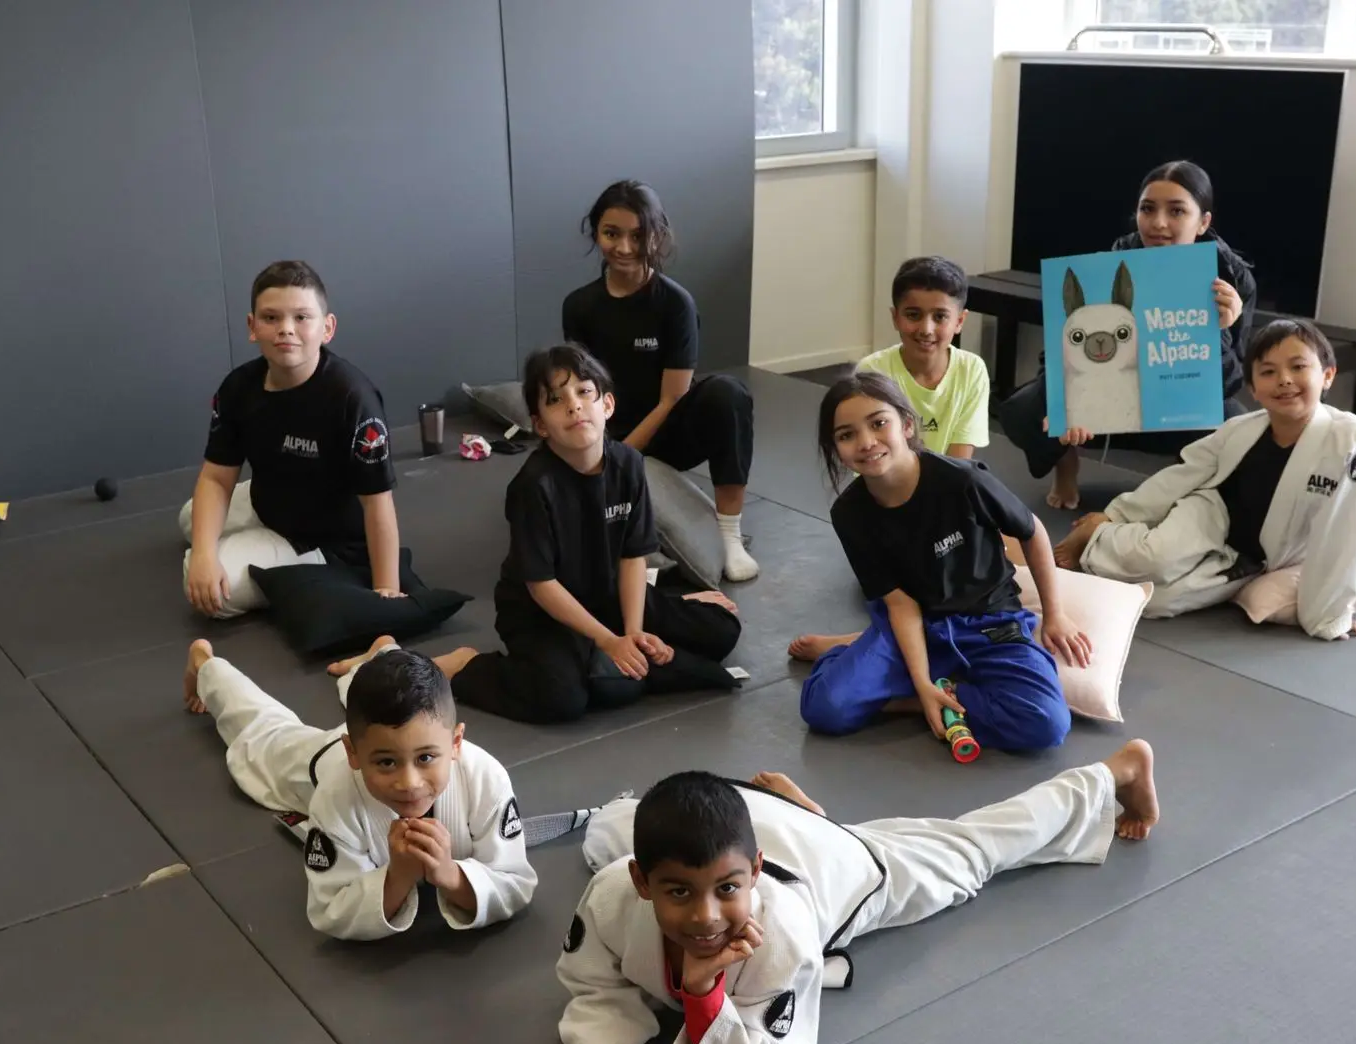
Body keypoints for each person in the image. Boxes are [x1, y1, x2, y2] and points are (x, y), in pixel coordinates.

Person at [544, 745, 1160, 1044]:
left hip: (841, 869)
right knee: (606, 830)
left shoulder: (781, 935)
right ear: (642, 882)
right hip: (767, 833)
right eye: (678, 892)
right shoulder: (612, 892)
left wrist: (703, 995)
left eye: (725, 891)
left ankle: (1112, 772)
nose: (706, 918)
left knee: (974, 854)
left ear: (752, 873)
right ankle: (797, 812)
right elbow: (596, 980)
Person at [434, 345, 743, 724]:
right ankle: (470, 664)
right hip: (542, 615)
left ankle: (626, 661)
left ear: (607, 405)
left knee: (722, 631)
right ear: (541, 424)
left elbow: (633, 556)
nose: (574, 405)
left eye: (584, 392)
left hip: (610, 598)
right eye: (556, 399)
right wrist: (607, 640)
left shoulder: (629, 464)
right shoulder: (533, 486)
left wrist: (633, 633)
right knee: (561, 698)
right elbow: (541, 585)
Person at [788, 372, 1088, 753]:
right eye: (847, 435)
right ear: (835, 447)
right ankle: (868, 661)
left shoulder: (963, 481)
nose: (866, 443)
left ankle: (921, 700)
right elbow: (899, 603)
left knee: (1046, 723)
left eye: (879, 424)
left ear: (907, 424)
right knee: (824, 708)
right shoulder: (849, 512)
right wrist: (923, 682)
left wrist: (1055, 613)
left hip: (991, 626)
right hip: (914, 630)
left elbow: (1032, 531)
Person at [180, 634, 536, 940]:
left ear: (456, 743)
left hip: (379, 736)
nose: (409, 783)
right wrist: (397, 879)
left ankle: (385, 651)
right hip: (321, 761)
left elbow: (516, 882)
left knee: (394, 693)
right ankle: (208, 666)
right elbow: (329, 908)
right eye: (387, 763)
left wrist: (451, 876)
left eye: (426, 758)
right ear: (354, 752)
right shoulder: (335, 796)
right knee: (264, 736)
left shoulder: (485, 777)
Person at [1053, 319, 1356, 641]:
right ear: (1252, 388)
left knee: (1158, 601)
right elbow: (1185, 472)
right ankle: (1096, 530)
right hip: (1211, 511)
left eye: (1298, 367)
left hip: (1254, 552)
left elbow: (1343, 528)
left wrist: (1331, 614)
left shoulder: (1350, 439)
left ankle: (1110, 542)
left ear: (1327, 376)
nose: (1284, 380)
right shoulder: (1241, 429)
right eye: (1268, 372)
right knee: (1155, 558)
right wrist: (1120, 512)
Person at [996, 161, 1257, 510]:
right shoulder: (1108, 266)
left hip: (1178, 401)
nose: (1159, 223)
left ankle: (1182, 486)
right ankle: (1065, 464)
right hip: (1111, 394)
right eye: (1147, 209)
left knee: (1238, 425)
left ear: (1203, 222)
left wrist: (1220, 332)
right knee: (1029, 408)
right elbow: (1061, 348)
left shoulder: (1232, 281)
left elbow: (1231, 380)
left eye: (1177, 211)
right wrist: (1062, 402)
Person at [181, 260, 407, 618]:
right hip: (267, 501)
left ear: (327, 328)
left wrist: (386, 594)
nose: (286, 329)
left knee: (215, 594)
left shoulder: (353, 398)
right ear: (252, 326)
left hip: (321, 538)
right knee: (190, 521)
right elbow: (215, 477)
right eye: (271, 318)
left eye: (302, 317)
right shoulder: (239, 387)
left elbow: (377, 504)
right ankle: (223, 544)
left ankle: (297, 565)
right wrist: (206, 555)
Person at [562, 180, 759, 581]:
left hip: (664, 431)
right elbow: (582, 393)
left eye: (638, 235)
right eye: (611, 234)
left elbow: (672, 399)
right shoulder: (579, 305)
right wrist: (596, 455)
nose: (624, 248)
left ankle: (730, 536)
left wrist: (622, 461)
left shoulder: (675, 303)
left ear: (658, 235)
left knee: (728, 394)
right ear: (595, 232)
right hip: (607, 434)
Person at [855, 255, 991, 460]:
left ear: (959, 321)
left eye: (940, 317)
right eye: (913, 315)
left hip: (945, 482)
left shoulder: (972, 369)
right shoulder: (873, 371)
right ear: (895, 317)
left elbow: (959, 463)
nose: (926, 329)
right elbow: (872, 456)